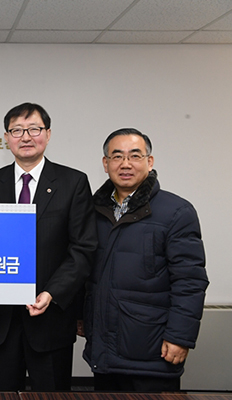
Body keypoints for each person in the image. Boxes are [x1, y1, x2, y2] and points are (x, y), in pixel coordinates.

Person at [0, 102, 97, 391]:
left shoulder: (73, 182)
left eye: (34, 129)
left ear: (48, 134)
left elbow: (83, 248)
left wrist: (52, 292)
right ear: (7, 138)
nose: (26, 137)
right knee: (3, 394)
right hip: (3, 320)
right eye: (17, 130)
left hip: (51, 316)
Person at [82, 128, 208, 391]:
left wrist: (180, 337)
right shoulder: (92, 210)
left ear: (149, 162)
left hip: (152, 350)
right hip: (104, 352)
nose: (125, 164)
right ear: (105, 163)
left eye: (135, 156)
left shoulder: (176, 212)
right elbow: (84, 270)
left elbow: (190, 281)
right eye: (117, 156)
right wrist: (80, 315)